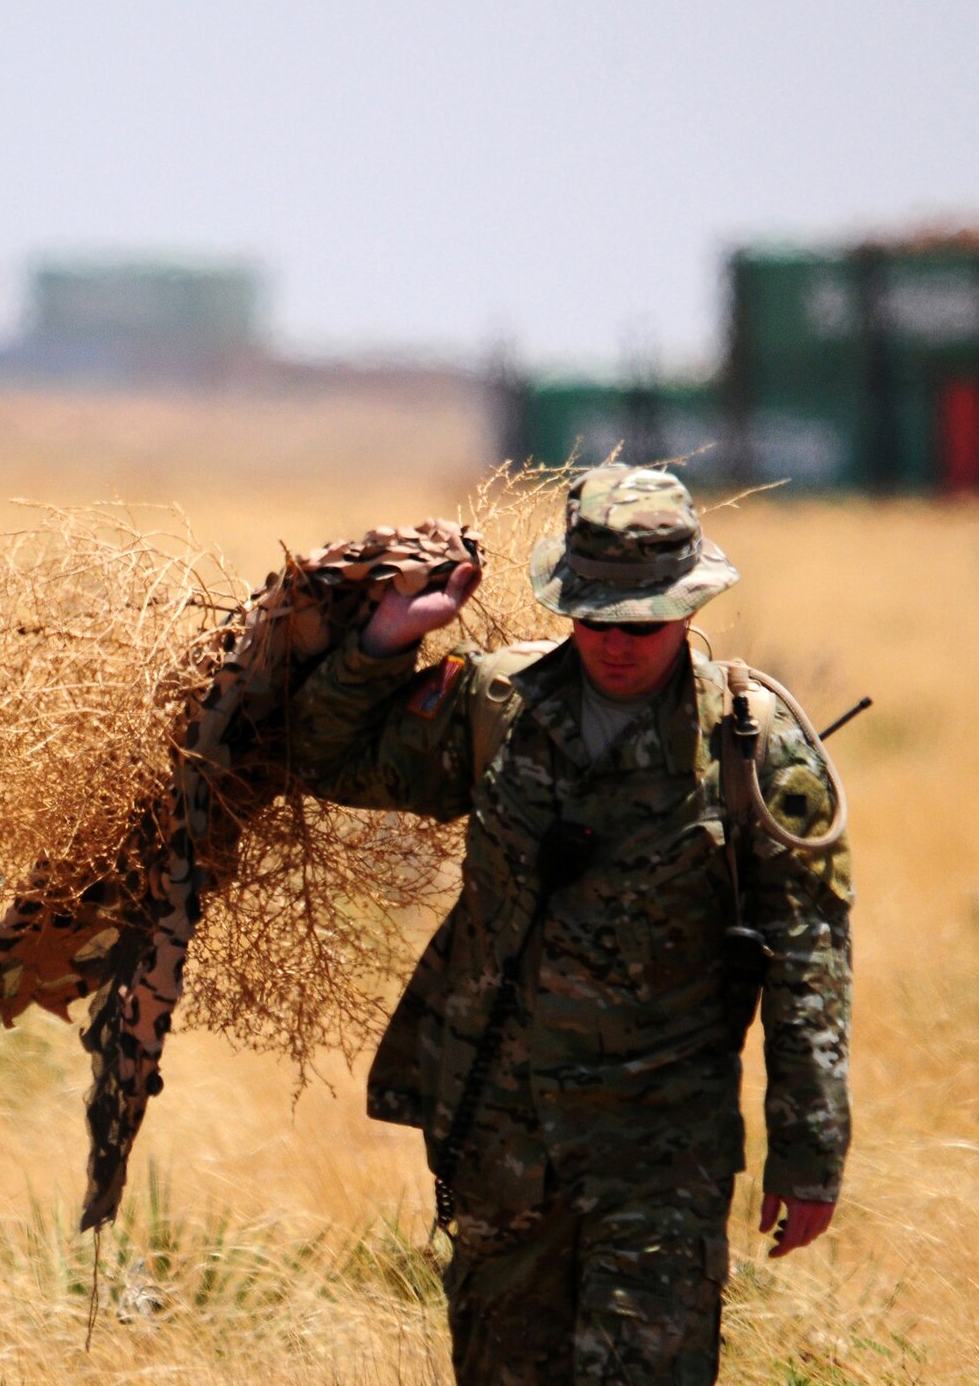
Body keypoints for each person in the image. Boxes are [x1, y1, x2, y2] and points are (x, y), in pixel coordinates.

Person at [288, 466, 852, 1385]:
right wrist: (388, 643)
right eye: (597, 618)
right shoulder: (496, 704)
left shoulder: (751, 743)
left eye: (644, 622)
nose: (618, 644)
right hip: (506, 1145)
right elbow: (325, 755)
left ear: (689, 603)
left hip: (663, 1157)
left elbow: (810, 958)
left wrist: (809, 1150)